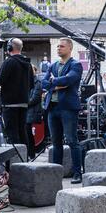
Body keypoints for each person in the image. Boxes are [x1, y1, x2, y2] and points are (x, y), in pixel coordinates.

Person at [42, 37, 84, 184]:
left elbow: (69, 80)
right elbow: (43, 83)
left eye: (62, 46)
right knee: (56, 142)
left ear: (70, 48)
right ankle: (56, 172)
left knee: (72, 140)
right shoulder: (53, 66)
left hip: (67, 108)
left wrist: (54, 81)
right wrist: (57, 84)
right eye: (58, 46)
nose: (59, 48)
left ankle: (78, 172)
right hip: (53, 108)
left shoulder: (76, 65)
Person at [0, 38, 34, 146]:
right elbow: (31, 84)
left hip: (10, 103)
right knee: (22, 131)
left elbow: (0, 80)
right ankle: (24, 158)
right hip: (23, 103)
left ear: (10, 47)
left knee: (12, 133)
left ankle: (15, 160)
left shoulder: (9, 62)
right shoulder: (28, 64)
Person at [25, 65, 43, 160]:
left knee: (27, 131)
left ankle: (31, 154)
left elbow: (35, 98)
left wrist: (24, 103)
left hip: (31, 110)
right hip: (25, 109)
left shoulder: (37, 82)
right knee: (26, 132)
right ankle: (28, 153)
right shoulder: (24, 81)